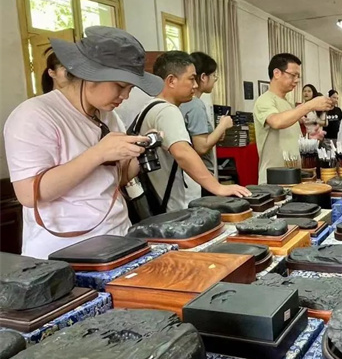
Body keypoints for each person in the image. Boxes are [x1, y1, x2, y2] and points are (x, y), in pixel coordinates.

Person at [4, 26, 164, 259]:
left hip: (119, 238)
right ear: (91, 75)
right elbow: (29, 195)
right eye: (121, 86)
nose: (125, 96)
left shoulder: (108, 115)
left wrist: (137, 153)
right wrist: (98, 154)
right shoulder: (33, 115)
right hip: (64, 254)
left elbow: (116, 179)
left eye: (130, 88)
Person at [136, 51, 250, 212]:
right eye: (191, 79)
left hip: (156, 201)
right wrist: (218, 187)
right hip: (168, 207)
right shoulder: (167, 111)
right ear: (171, 80)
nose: (195, 85)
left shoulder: (149, 107)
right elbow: (182, 152)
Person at [253, 53, 333, 183]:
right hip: (274, 180)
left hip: (293, 176)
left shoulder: (287, 103)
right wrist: (309, 105)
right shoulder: (265, 100)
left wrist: (310, 139)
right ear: (277, 73)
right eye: (293, 75)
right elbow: (276, 121)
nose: (296, 80)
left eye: (298, 76)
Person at [180, 52, 233, 174]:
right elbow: (201, 147)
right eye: (213, 75)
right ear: (203, 77)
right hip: (198, 173)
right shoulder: (195, 104)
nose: (215, 80)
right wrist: (223, 125)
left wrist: (218, 132)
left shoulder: (185, 102)